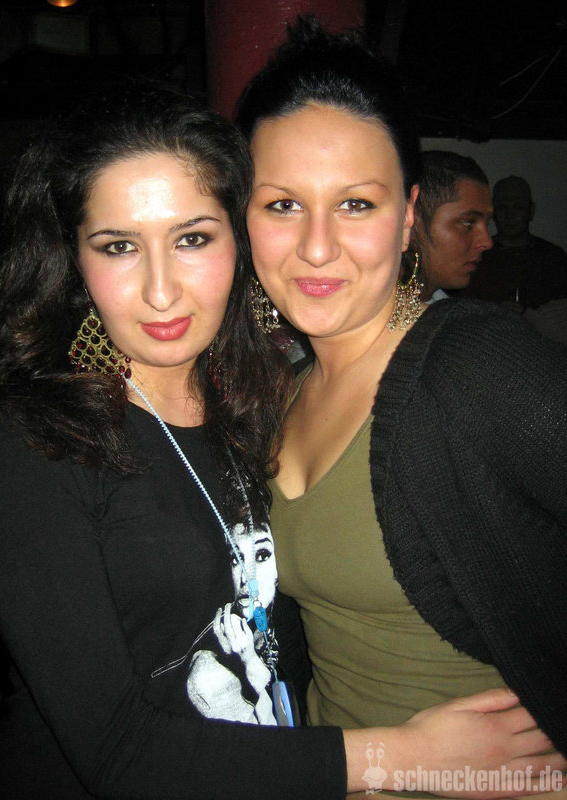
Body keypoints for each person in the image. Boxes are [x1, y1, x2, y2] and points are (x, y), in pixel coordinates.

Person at [0, 81, 549, 800]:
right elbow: (114, 752)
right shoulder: (30, 440)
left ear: (237, 241)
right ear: (74, 261)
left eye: (192, 239)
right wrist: (399, 757)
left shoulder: (253, 401)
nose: (160, 291)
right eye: (118, 246)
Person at [237, 16, 567, 779]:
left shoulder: (477, 366)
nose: (317, 246)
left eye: (356, 204)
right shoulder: (284, 390)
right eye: (282, 204)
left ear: (409, 213)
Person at [464, 174, 567, 309]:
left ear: (530, 211)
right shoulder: (477, 258)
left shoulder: (552, 258)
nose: (510, 215)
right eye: (503, 208)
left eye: (518, 207)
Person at [406, 150, 493, 302]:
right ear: (411, 221)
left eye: (487, 224)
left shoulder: (455, 314)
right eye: (468, 223)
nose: (487, 242)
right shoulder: (365, 310)